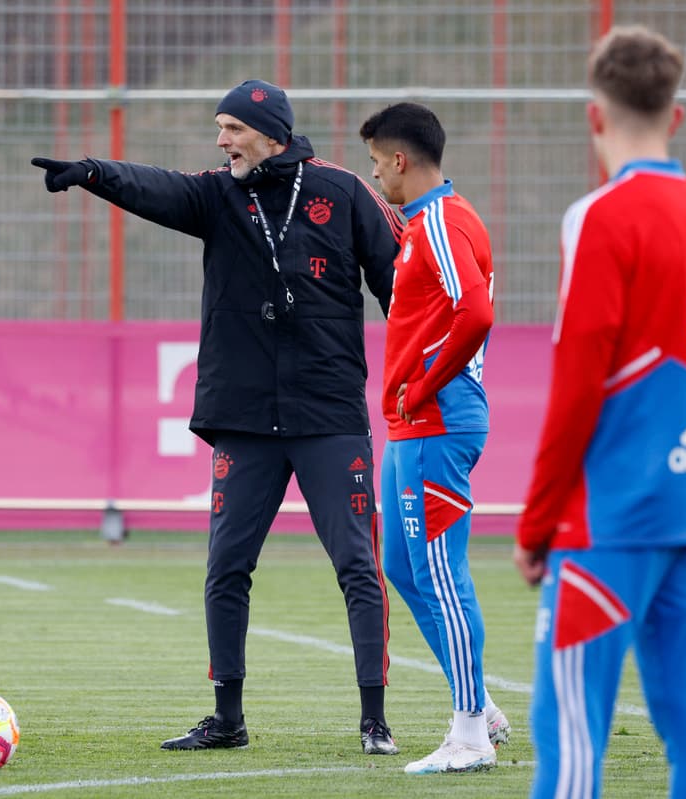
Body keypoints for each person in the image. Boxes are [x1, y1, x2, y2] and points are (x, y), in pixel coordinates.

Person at [32, 79, 404, 754]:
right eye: (220, 128)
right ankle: (227, 718)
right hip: (244, 418)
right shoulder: (217, 194)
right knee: (227, 566)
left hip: (329, 415)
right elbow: (158, 187)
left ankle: (374, 719)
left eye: (232, 128)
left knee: (356, 562)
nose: (221, 140)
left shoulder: (344, 191)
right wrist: (93, 173)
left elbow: (400, 288)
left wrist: (423, 370)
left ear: (271, 133)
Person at [514, 25, 686, 799]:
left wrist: (537, 521)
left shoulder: (600, 217)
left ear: (594, 116)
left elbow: (577, 383)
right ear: (675, 116)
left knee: (572, 736)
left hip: (610, 522)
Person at [359, 102, 510, 775]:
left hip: (436, 419)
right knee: (402, 567)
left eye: (375, 161)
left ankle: (470, 732)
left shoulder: (444, 222)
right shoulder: (425, 222)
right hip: (414, 422)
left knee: (443, 573)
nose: (375, 175)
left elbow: (475, 311)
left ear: (399, 159)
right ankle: (479, 703)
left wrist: (422, 386)